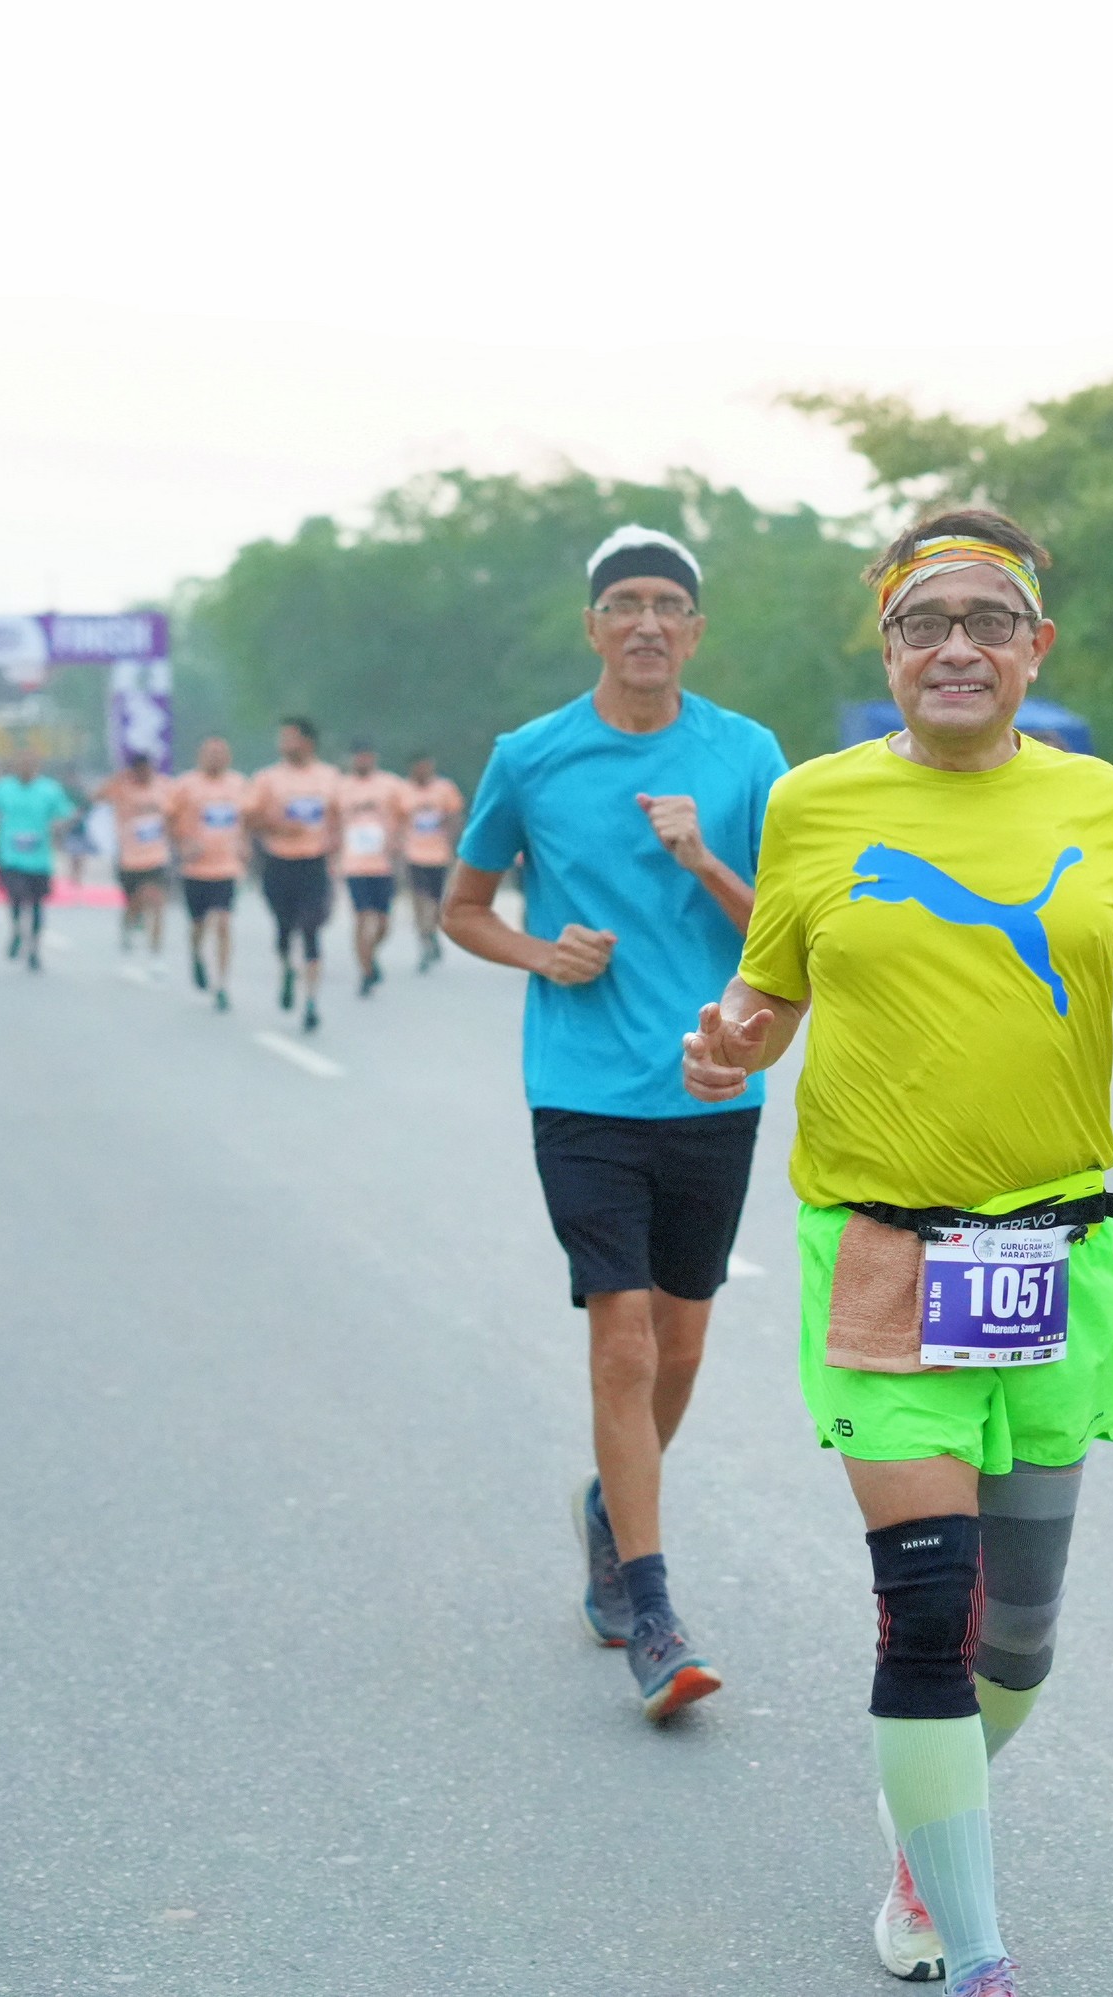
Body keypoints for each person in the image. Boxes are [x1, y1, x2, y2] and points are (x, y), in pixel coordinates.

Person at [682, 510, 1113, 1994]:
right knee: (928, 1607)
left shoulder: (1102, 803)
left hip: (1046, 1259)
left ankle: (920, 1843)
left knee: (1017, 1641)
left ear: (1034, 648)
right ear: (886, 648)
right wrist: (727, 1043)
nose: (955, 646)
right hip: (879, 1249)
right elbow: (767, 994)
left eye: (987, 621)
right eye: (923, 623)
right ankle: (980, 1948)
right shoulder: (815, 802)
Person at [443, 523, 787, 1723]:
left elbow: (790, 930)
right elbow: (463, 907)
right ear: (592, 625)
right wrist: (543, 952)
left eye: (667, 605)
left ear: (695, 631)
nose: (646, 621)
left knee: (681, 1346)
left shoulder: (748, 755)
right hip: (580, 1088)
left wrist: (703, 859)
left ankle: (609, 1503)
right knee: (625, 1342)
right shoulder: (530, 756)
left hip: (712, 1081)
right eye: (625, 602)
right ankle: (652, 1609)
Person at [247, 716, 341, 1033]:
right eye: (282, 738)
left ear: (307, 742)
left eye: (290, 738)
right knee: (285, 928)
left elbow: (339, 818)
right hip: (278, 863)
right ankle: (287, 967)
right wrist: (276, 825)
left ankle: (311, 1001)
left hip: (314, 863)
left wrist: (337, 849)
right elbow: (249, 818)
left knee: (312, 929)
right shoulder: (267, 779)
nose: (284, 744)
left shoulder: (329, 778)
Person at [170, 735, 251, 1011]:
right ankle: (196, 954)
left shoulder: (239, 784)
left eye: (220, 753)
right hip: (195, 867)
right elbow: (168, 819)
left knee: (223, 921)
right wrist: (183, 843)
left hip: (227, 866)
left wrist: (245, 843)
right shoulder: (185, 785)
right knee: (198, 924)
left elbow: (248, 819)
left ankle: (222, 983)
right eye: (210, 753)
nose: (215, 758)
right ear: (200, 756)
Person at [0, 750, 79, 972]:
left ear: (37, 767)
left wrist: (59, 828)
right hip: (11, 856)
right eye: (21, 764)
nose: (25, 769)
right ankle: (17, 930)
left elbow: (67, 813)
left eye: (30, 765)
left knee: (36, 904)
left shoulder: (50, 790)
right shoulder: (2, 788)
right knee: (16, 896)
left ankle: (34, 948)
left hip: (39, 858)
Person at [335, 741, 408, 998]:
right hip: (354, 863)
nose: (362, 762)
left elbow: (406, 816)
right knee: (362, 916)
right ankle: (365, 970)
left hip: (383, 864)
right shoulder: (340, 787)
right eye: (358, 757)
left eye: (367, 757)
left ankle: (370, 953)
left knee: (383, 922)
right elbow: (331, 821)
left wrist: (398, 840)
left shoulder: (391, 785)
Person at [100, 751, 176, 956]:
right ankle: (128, 924)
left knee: (157, 901)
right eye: (139, 770)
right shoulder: (122, 787)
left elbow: (175, 813)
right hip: (130, 858)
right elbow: (97, 797)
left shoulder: (164, 786)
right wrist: (117, 778)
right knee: (135, 901)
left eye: (147, 769)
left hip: (157, 856)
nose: (144, 774)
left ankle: (156, 950)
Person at [401, 752, 467, 974]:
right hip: (413, 854)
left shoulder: (445, 789)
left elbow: (455, 815)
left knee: (437, 903)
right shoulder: (403, 791)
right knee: (420, 901)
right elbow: (396, 820)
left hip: (439, 855)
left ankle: (431, 934)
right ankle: (425, 941)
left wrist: (452, 838)